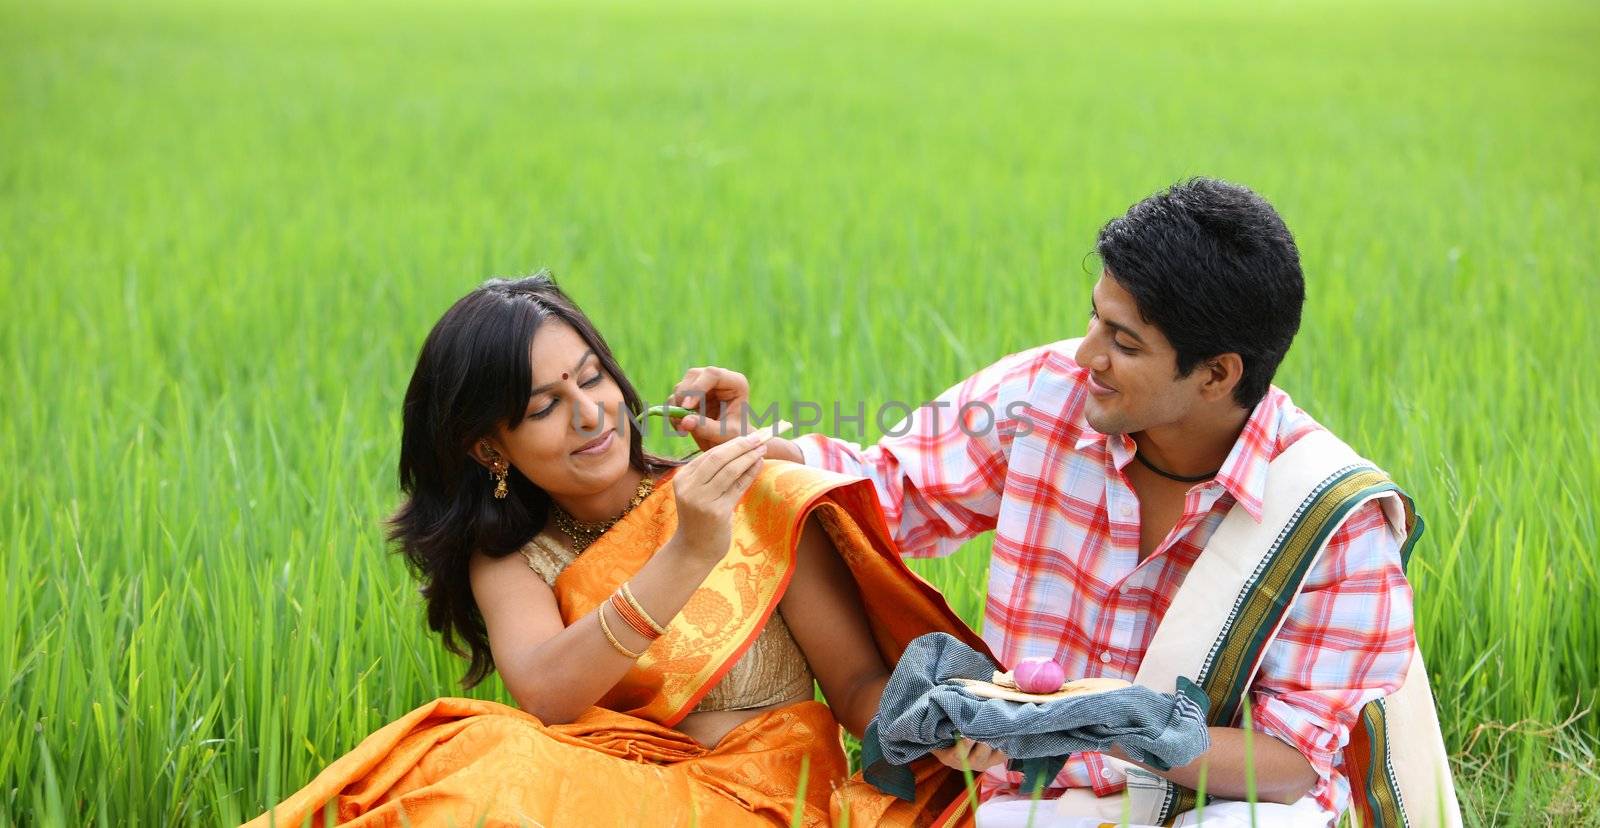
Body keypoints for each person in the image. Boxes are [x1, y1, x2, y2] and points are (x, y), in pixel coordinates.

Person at [667, 178, 1457, 826]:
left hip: (1215, 804)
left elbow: (1293, 766)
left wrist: (1125, 723)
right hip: (1032, 797)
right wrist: (756, 445)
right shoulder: (1043, 395)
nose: (1087, 356)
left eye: (1125, 342)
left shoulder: (1333, 519)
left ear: (1218, 375)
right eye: (1095, 318)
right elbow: (893, 489)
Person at [244, 275, 991, 828]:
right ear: (488, 448)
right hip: (606, 785)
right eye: (543, 406)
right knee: (461, 763)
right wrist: (690, 553)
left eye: (592, 377)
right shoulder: (512, 555)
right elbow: (545, 692)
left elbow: (858, 680)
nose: (590, 413)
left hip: (765, 798)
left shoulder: (739, 491)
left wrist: (938, 728)